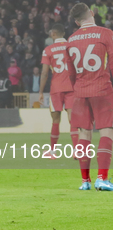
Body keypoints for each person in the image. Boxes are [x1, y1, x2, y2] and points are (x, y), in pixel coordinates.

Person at [66, 3, 113, 191]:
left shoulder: (71, 39)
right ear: (92, 13)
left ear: (77, 22)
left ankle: (85, 181)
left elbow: (70, 73)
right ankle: (102, 178)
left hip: (80, 92)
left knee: (84, 134)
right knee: (106, 132)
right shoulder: (106, 33)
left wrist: (77, 87)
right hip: (102, 89)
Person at [39, 23, 79, 159]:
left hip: (56, 89)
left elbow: (44, 73)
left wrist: (40, 91)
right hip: (72, 87)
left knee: (55, 120)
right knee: (72, 119)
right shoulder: (72, 47)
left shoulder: (48, 50)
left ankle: (53, 152)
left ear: (53, 34)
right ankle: (76, 151)